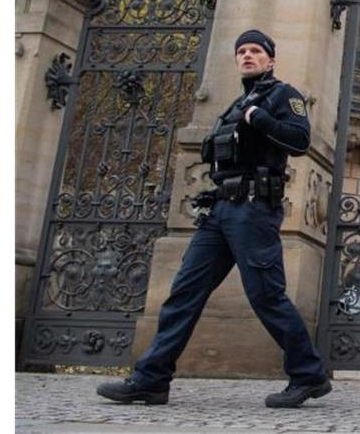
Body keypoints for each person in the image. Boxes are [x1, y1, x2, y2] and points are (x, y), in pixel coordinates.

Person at [96, 30, 331, 409]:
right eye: (241, 51)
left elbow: (299, 141)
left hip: (254, 210)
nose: (248, 56)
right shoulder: (235, 104)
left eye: (256, 51)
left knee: (265, 296)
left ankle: (308, 374)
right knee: (184, 292)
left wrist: (262, 119)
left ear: (271, 59)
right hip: (221, 211)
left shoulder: (282, 96)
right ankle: (151, 379)